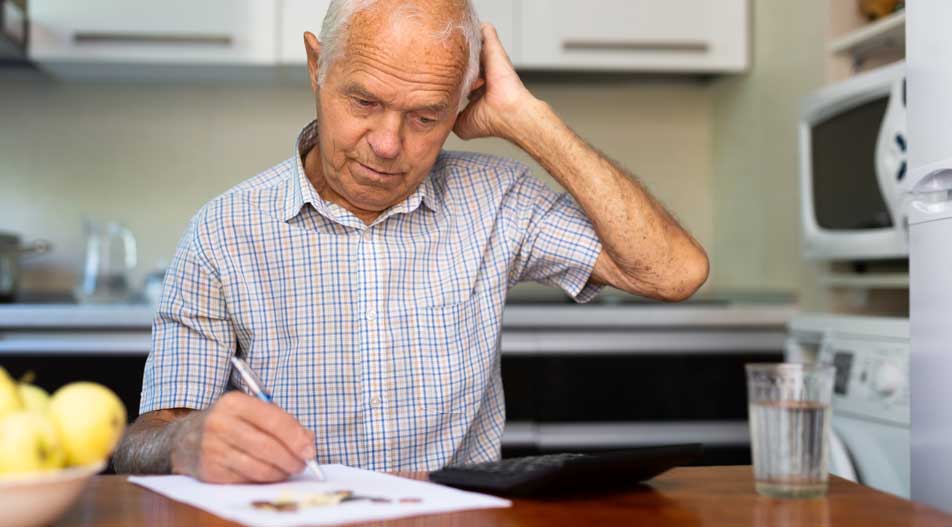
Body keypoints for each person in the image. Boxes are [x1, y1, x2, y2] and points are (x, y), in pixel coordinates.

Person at [113, 0, 709, 483]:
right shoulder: (223, 231)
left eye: (426, 116)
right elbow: (140, 444)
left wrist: (527, 118)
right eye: (364, 102)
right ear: (315, 66)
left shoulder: (496, 200)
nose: (389, 144)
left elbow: (673, 272)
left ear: (463, 103)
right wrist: (186, 440)